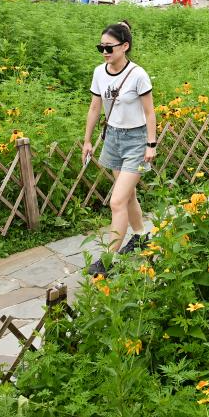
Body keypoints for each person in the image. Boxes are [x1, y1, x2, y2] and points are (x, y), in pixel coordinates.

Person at [81, 21, 157, 276]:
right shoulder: (99, 72)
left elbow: (149, 111)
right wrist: (88, 140)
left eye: (109, 47)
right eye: (101, 47)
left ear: (125, 46)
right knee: (128, 196)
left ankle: (108, 259)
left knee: (117, 201)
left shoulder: (138, 74)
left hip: (136, 141)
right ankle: (140, 236)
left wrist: (151, 143)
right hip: (113, 137)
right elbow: (94, 107)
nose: (104, 52)